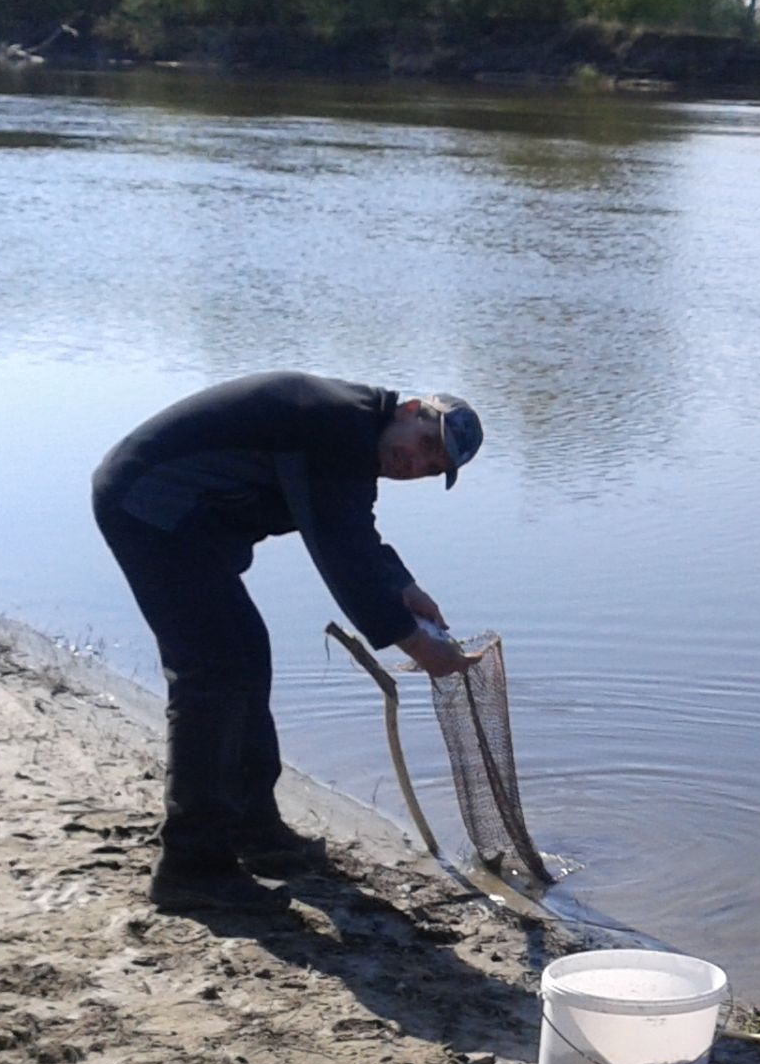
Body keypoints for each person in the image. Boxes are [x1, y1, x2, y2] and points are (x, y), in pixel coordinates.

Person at [92, 372, 483, 914]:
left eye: (432, 467)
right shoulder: (335, 423)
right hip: (152, 506)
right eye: (424, 444)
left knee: (246, 656)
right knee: (213, 674)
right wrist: (416, 644)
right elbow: (341, 552)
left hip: (188, 522)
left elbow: (350, 526)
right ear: (411, 409)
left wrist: (402, 585)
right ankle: (191, 866)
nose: (415, 464)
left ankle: (254, 829)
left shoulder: (353, 432)